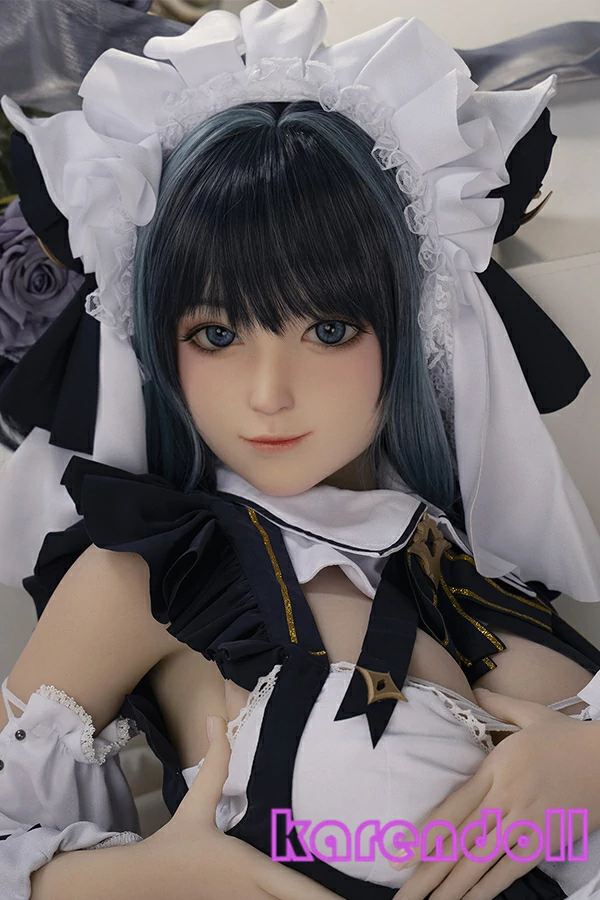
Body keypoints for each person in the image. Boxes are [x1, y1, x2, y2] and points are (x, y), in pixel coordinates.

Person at [1, 2, 600, 899]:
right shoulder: (152, 572)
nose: (267, 394)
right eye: (214, 335)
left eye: (327, 329)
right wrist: (142, 877)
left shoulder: (473, 564)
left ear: (411, 325)